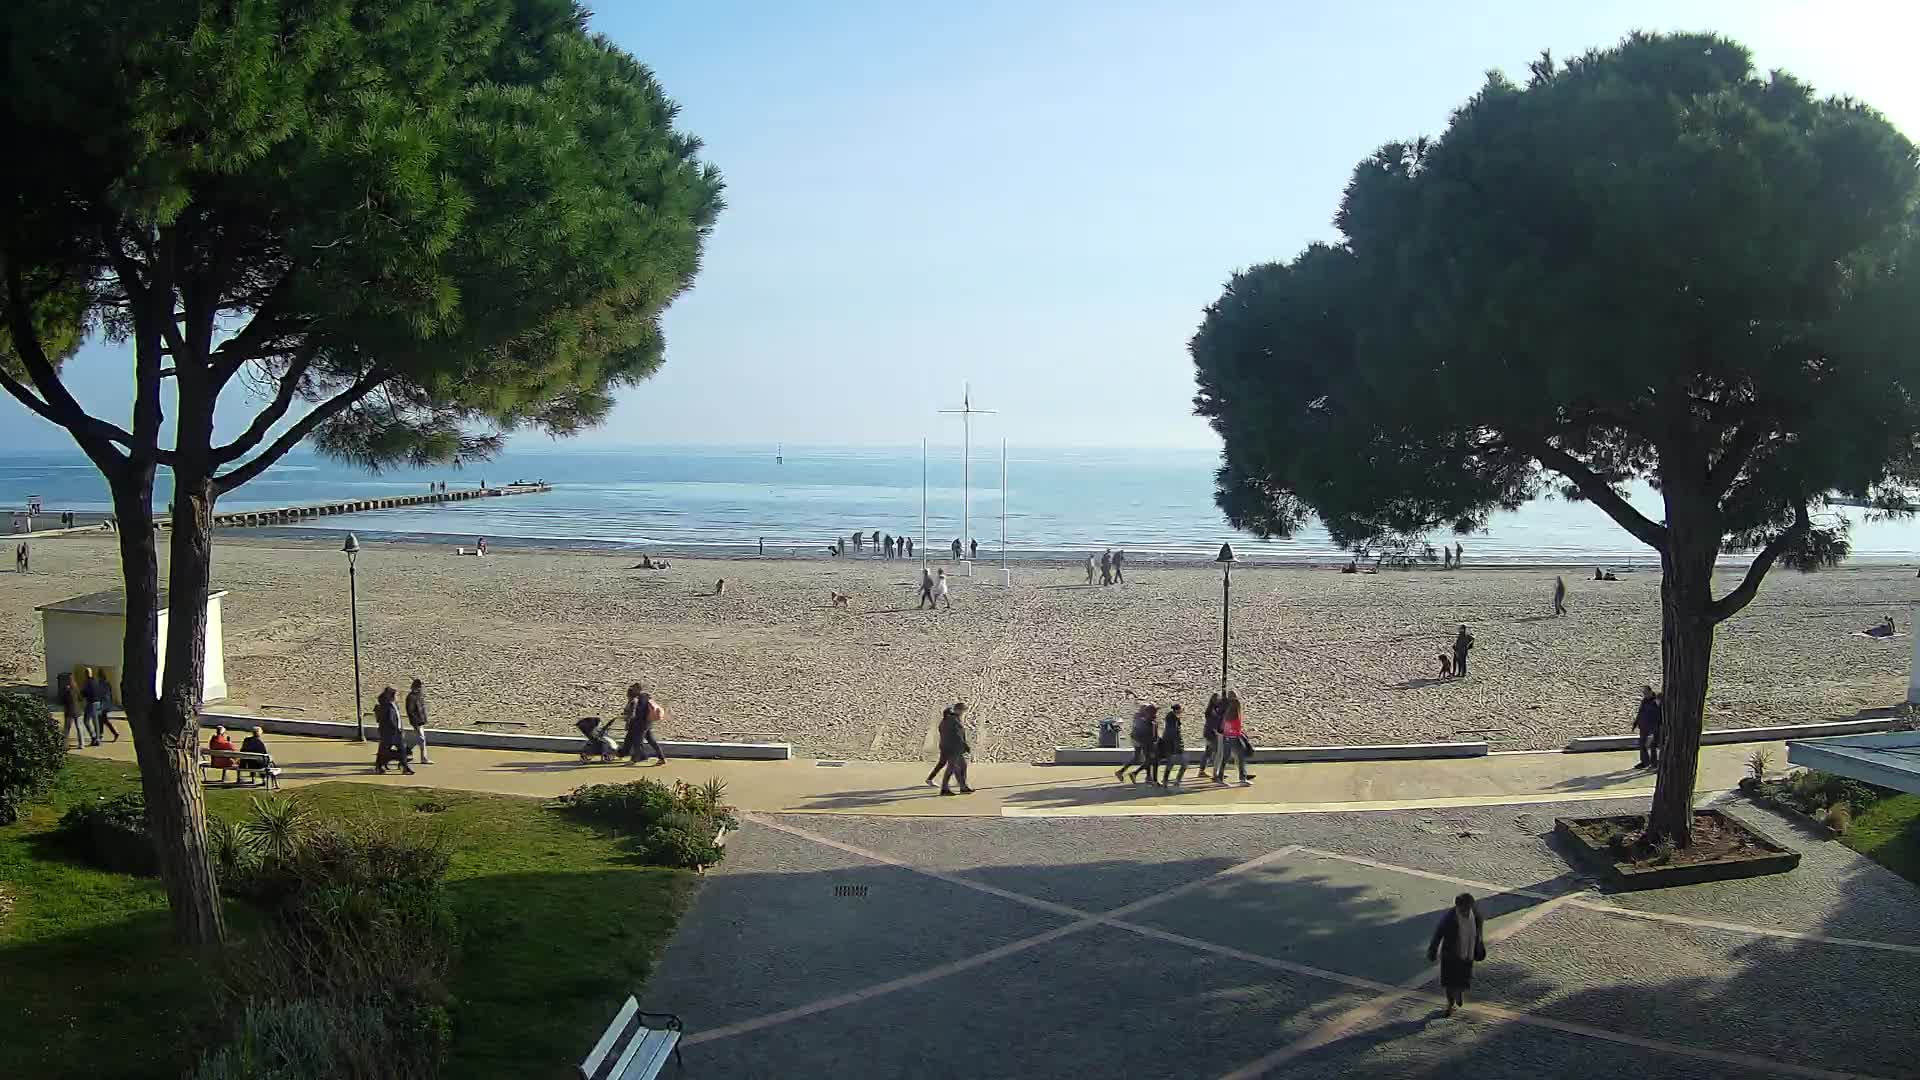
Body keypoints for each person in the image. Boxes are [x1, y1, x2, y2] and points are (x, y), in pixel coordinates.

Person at [1427, 892, 1486, 1016]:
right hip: (1451, 955)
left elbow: (1479, 924)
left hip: (1467, 952)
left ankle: (1459, 991)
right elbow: (1438, 934)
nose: (1467, 911)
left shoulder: (1473, 913)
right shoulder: (1449, 919)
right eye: (1465, 909)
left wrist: (1479, 942)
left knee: (1463, 978)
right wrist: (1433, 950)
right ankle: (1450, 1004)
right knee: (1449, 982)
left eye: (1469, 907)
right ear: (1458, 907)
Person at [620, 682, 669, 765]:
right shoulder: (646, 696)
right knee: (651, 740)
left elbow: (639, 713)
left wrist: (631, 719)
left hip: (641, 723)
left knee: (637, 741)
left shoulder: (640, 698)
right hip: (648, 722)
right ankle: (662, 758)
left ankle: (636, 759)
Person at [935, 702, 974, 795]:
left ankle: (963, 786)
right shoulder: (953, 720)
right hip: (952, 747)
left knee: (962, 765)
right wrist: (965, 745)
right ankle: (944, 789)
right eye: (963, 710)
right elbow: (957, 735)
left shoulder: (948, 719)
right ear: (958, 710)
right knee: (952, 768)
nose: (963, 713)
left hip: (950, 746)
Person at [1214, 693, 1252, 785]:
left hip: (1226, 737)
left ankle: (1220, 778)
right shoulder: (1235, 714)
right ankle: (1242, 778)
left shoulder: (1227, 714)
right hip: (1234, 738)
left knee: (1225, 758)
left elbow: (1224, 726)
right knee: (1241, 757)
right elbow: (1236, 728)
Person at [1118, 703, 1159, 782]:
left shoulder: (1143, 717)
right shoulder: (1141, 718)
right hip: (1139, 740)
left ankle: (1147, 776)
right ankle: (1145, 776)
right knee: (1144, 758)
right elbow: (1147, 733)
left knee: (1145, 758)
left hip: (1139, 739)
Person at [1155, 703, 1188, 785]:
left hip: (1169, 745)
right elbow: (1174, 734)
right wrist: (1178, 746)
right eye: (1180, 710)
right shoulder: (1173, 721)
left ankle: (1166, 781)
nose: (1181, 711)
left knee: (1170, 763)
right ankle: (1176, 780)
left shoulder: (1172, 718)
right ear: (1177, 710)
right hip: (1174, 746)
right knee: (1184, 764)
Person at [83, 669, 116, 745]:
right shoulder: (96, 682)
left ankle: (95, 737)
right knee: (97, 721)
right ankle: (98, 738)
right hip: (99, 703)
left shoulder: (89, 683)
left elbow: (85, 693)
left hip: (94, 703)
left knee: (87, 720)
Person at [1633, 685, 1662, 769]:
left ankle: (1654, 763)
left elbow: (1661, 712)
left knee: (1654, 745)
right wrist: (1636, 723)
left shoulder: (1657, 700)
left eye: (1645, 693)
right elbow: (1640, 712)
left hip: (1654, 725)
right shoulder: (1644, 701)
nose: (1644, 694)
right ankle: (1645, 762)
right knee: (1642, 744)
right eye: (1643, 693)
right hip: (1644, 725)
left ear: (1650, 691)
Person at [405, 678, 433, 765]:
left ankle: (407, 749)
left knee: (418, 738)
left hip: (420, 721)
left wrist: (424, 719)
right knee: (421, 739)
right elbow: (411, 711)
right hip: (417, 721)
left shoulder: (419, 696)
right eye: (419, 687)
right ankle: (423, 758)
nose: (421, 688)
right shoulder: (412, 697)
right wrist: (417, 721)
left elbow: (421, 709)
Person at [60, 673, 87, 748]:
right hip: (77, 711)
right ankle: (82, 744)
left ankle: (64, 744)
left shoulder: (66, 690)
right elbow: (81, 698)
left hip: (69, 711)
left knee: (67, 729)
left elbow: (62, 700)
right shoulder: (76, 688)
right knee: (79, 728)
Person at [1201, 693, 1225, 776]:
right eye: (1217, 699)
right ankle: (1216, 772)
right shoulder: (1212, 711)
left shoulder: (1213, 709)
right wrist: (1216, 732)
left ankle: (1202, 770)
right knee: (1216, 752)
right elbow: (1212, 723)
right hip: (1211, 733)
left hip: (1209, 733)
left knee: (1209, 752)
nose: (1218, 701)